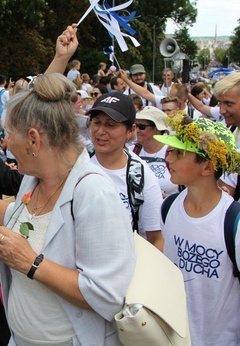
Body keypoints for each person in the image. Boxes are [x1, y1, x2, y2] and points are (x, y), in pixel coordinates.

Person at [0, 73, 135, 345]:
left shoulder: (94, 194)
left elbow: (108, 295)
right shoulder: (34, 177)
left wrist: (31, 263)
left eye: (8, 135)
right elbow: (15, 214)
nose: (6, 143)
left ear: (33, 140)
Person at [154, 115, 240, 345]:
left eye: (179, 153)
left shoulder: (233, 221)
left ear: (208, 167)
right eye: (170, 150)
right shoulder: (169, 207)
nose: (167, 157)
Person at [87, 92, 165, 251]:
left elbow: (156, 239)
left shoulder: (141, 175)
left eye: (110, 125)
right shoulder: (77, 164)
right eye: (96, 122)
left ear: (130, 130)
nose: (100, 131)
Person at [129, 106, 178, 197]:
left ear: (157, 130)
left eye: (142, 127)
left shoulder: (173, 152)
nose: (137, 130)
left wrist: (172, 198)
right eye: (136, 126)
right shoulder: (131, 152)